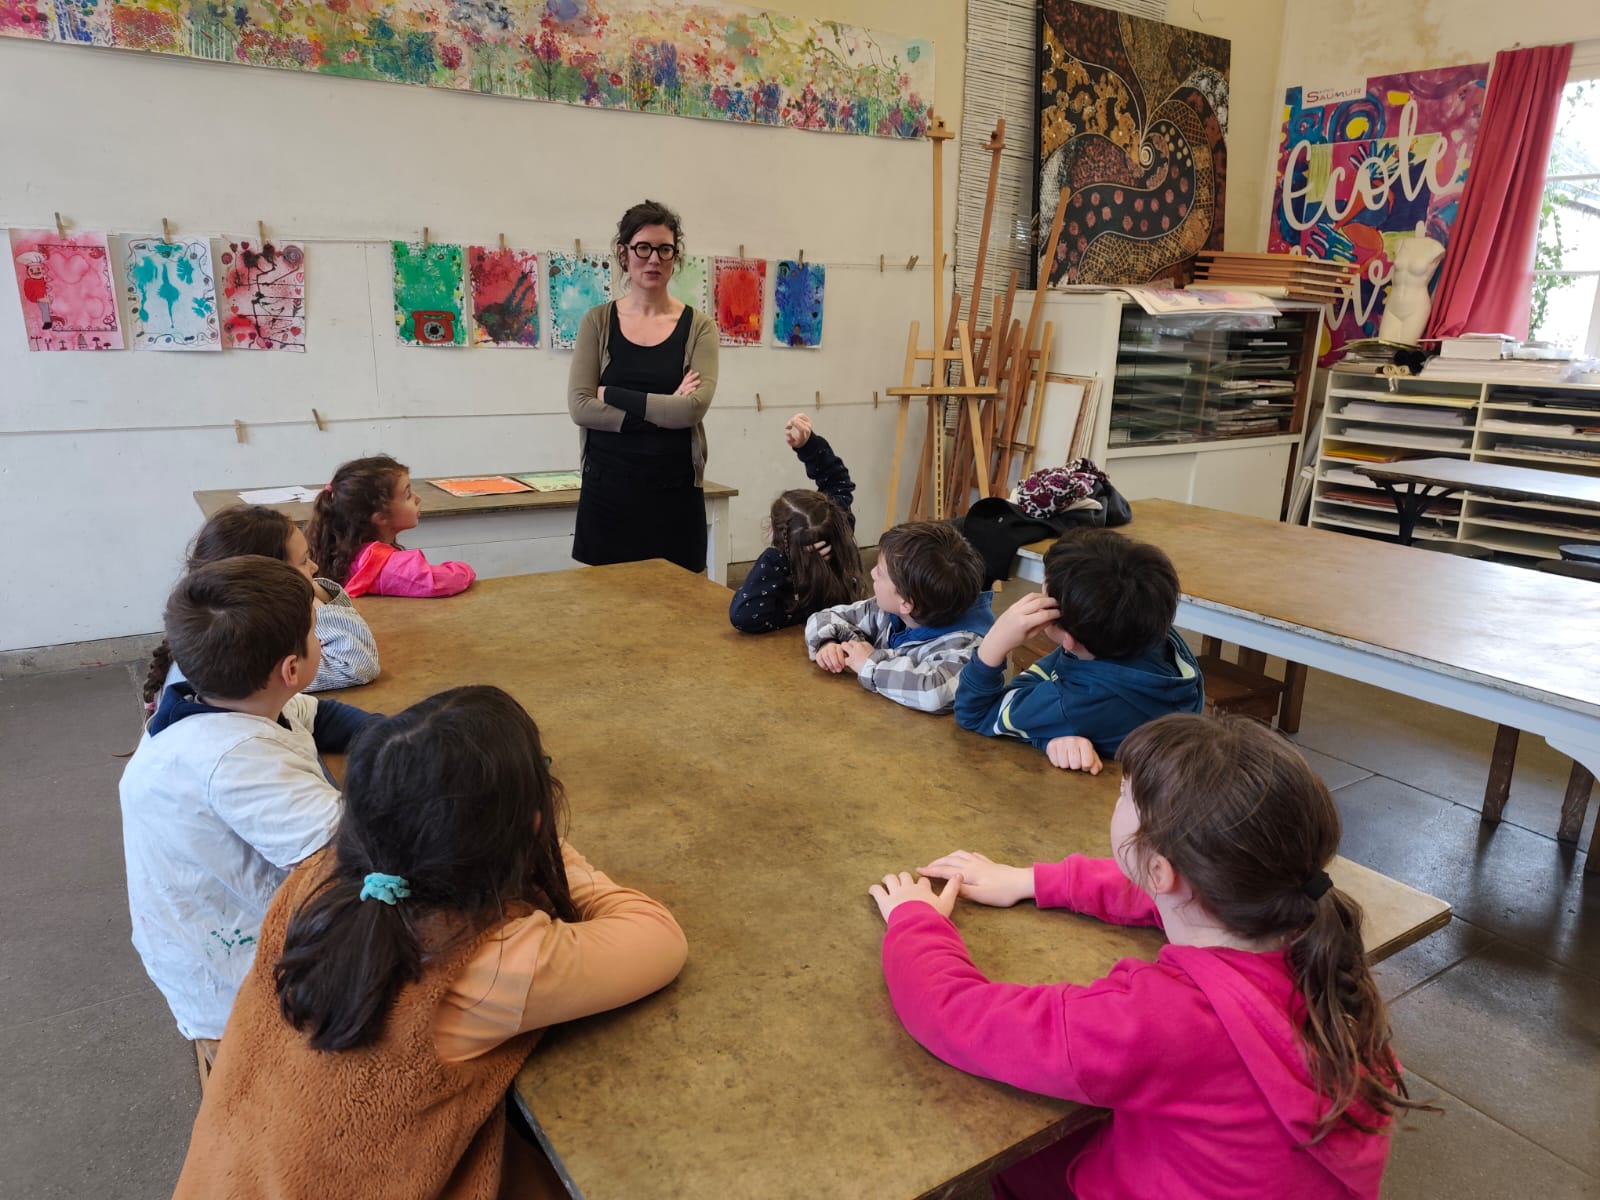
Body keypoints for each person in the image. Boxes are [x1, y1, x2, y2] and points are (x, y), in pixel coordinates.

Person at [870, 713, 1432, 1200]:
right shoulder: (1306, 925)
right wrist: (1032, 881)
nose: (1115, 799)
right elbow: (1165, 894)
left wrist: (916, 920)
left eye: (1123, 794)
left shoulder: (1157, 1020)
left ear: (1161, 869)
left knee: (1017, 1159)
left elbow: (958, 1017)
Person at [173, 686, 689, 1199]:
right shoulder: (493, 961)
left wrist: (511, 828)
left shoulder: (318, 878)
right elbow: (657, 936)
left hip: (223, 1176)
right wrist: (541, 844)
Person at [119, 556, 379, 1045]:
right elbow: (359, 858)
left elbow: (320, 717)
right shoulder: (238, 762)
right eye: (314, 631)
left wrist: (404, 740)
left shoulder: (217, 697)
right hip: (241, 990)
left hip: (228, 933)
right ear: (291, 668)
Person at [954, 528, 1203, 774]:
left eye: (1044, 595)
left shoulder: (1069, 705)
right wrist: (1046, 735)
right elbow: (1059, 670)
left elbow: (975, 713)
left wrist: (995, 643)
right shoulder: (1153, 633)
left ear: (1070, 640)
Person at [567, 199, 719, 573]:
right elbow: (580, 407)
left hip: (675, 493)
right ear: (623, 253)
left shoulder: (699, 327)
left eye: (664, 249)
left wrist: (611, 394)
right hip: (607, 492)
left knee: (678, 602)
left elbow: (691, 409)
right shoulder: (597, 322)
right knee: (605, 603)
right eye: (643, 248)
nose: (654, 259)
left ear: (675, 256)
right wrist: (664, 410)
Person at [141, 504, 379, 709]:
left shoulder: (224, 623)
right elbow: (356, 664)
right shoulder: (240, 653)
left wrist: (316, 592)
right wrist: (312, 601)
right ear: (269, 577)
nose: (315, 567)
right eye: (304, 561)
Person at [805, 521, 992, 715]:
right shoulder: (889, 609)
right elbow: (823, 617)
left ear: (906, 603)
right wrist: (832, 643)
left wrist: (871, 664)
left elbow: (933, 694)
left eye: (880, 573)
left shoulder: (967, 647)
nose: (872, 573)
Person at [729, 413, 861, 633]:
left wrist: (777, 558)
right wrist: (809, 446)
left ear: (776, 534)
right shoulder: (836, 527)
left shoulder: (780, 573)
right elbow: (838, 480)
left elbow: (742, 615)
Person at [305, 454, 475, 598]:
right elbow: (441, 581)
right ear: (381, 517)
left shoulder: (342, 551)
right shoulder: (384, 564)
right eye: (407, 495)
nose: (418, 498)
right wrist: (466, 569)